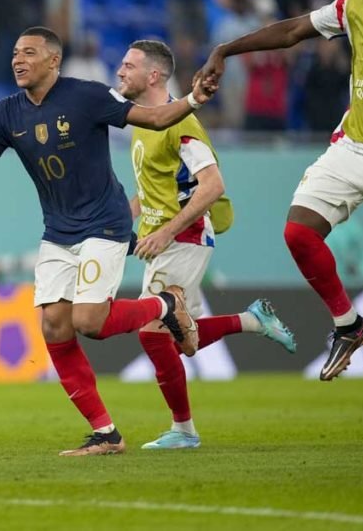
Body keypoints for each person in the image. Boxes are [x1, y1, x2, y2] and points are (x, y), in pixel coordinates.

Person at [0, 26, 216, 456]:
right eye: (14, 53)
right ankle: (106, 434)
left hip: (105, 222)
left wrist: (193, 99)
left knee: (88, 322)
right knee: (54, 326)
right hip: (58, 231)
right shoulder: (6, 112)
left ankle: (167, 306)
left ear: (54, 61)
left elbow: (156, 118)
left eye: (28, 52)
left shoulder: (90, 95)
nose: (18, 60)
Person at [196, 0, 363, 381]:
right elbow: (294, 30)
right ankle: (348, 324)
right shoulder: (356, 4)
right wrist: (227, 48)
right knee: (299, 232)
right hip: (353, 144)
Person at [115, 40, 296, 450]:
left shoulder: (181, 123)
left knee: (152, 331)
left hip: (185, 236)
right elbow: (155, 187)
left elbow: (212, 185)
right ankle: (252, 321)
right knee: (182, 339)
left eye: (129, 65)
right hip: (164, 240)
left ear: (154, 76)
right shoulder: (145, 123)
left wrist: (164, 231)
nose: (120, 71)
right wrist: (120, 221)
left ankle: (184, 431)